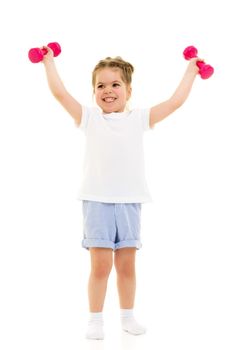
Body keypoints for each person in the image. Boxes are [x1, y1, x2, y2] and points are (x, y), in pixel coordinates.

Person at [41, 46, 200, 340]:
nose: (108, 90)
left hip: (129, 202)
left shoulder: (139, 118)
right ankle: (95, 319)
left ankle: (127, 317)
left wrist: (191, 69)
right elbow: (60, 94)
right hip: (97, 202)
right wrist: (49, 62)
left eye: (115, 84)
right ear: (94, 92)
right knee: (100, 265)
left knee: (127, 266)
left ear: (128, 90)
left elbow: (175, 102)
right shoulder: (89, 118)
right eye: (100, 85)